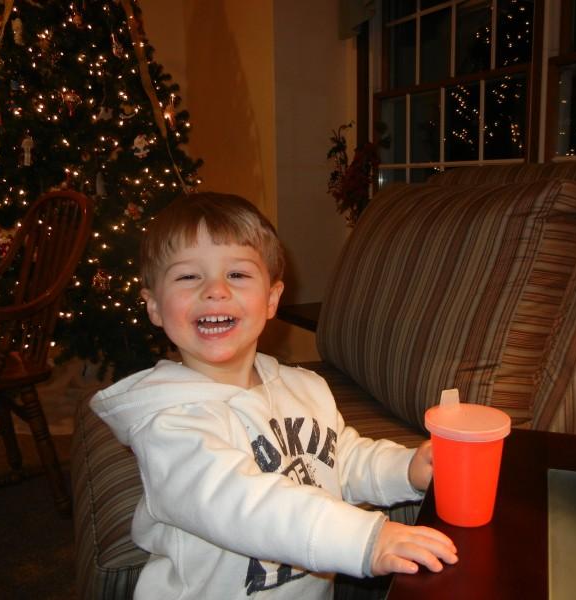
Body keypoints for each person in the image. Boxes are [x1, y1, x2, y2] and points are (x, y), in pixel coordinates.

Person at [90, 192, 457, 599]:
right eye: (188, 277)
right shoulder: (169, 423)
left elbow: (342, 459)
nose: (215, 290)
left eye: (237, 274)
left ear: (271, 299)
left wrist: (407, 468)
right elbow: (241, 503)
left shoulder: (305, 389)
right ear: (155, 306)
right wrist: (365, 539)